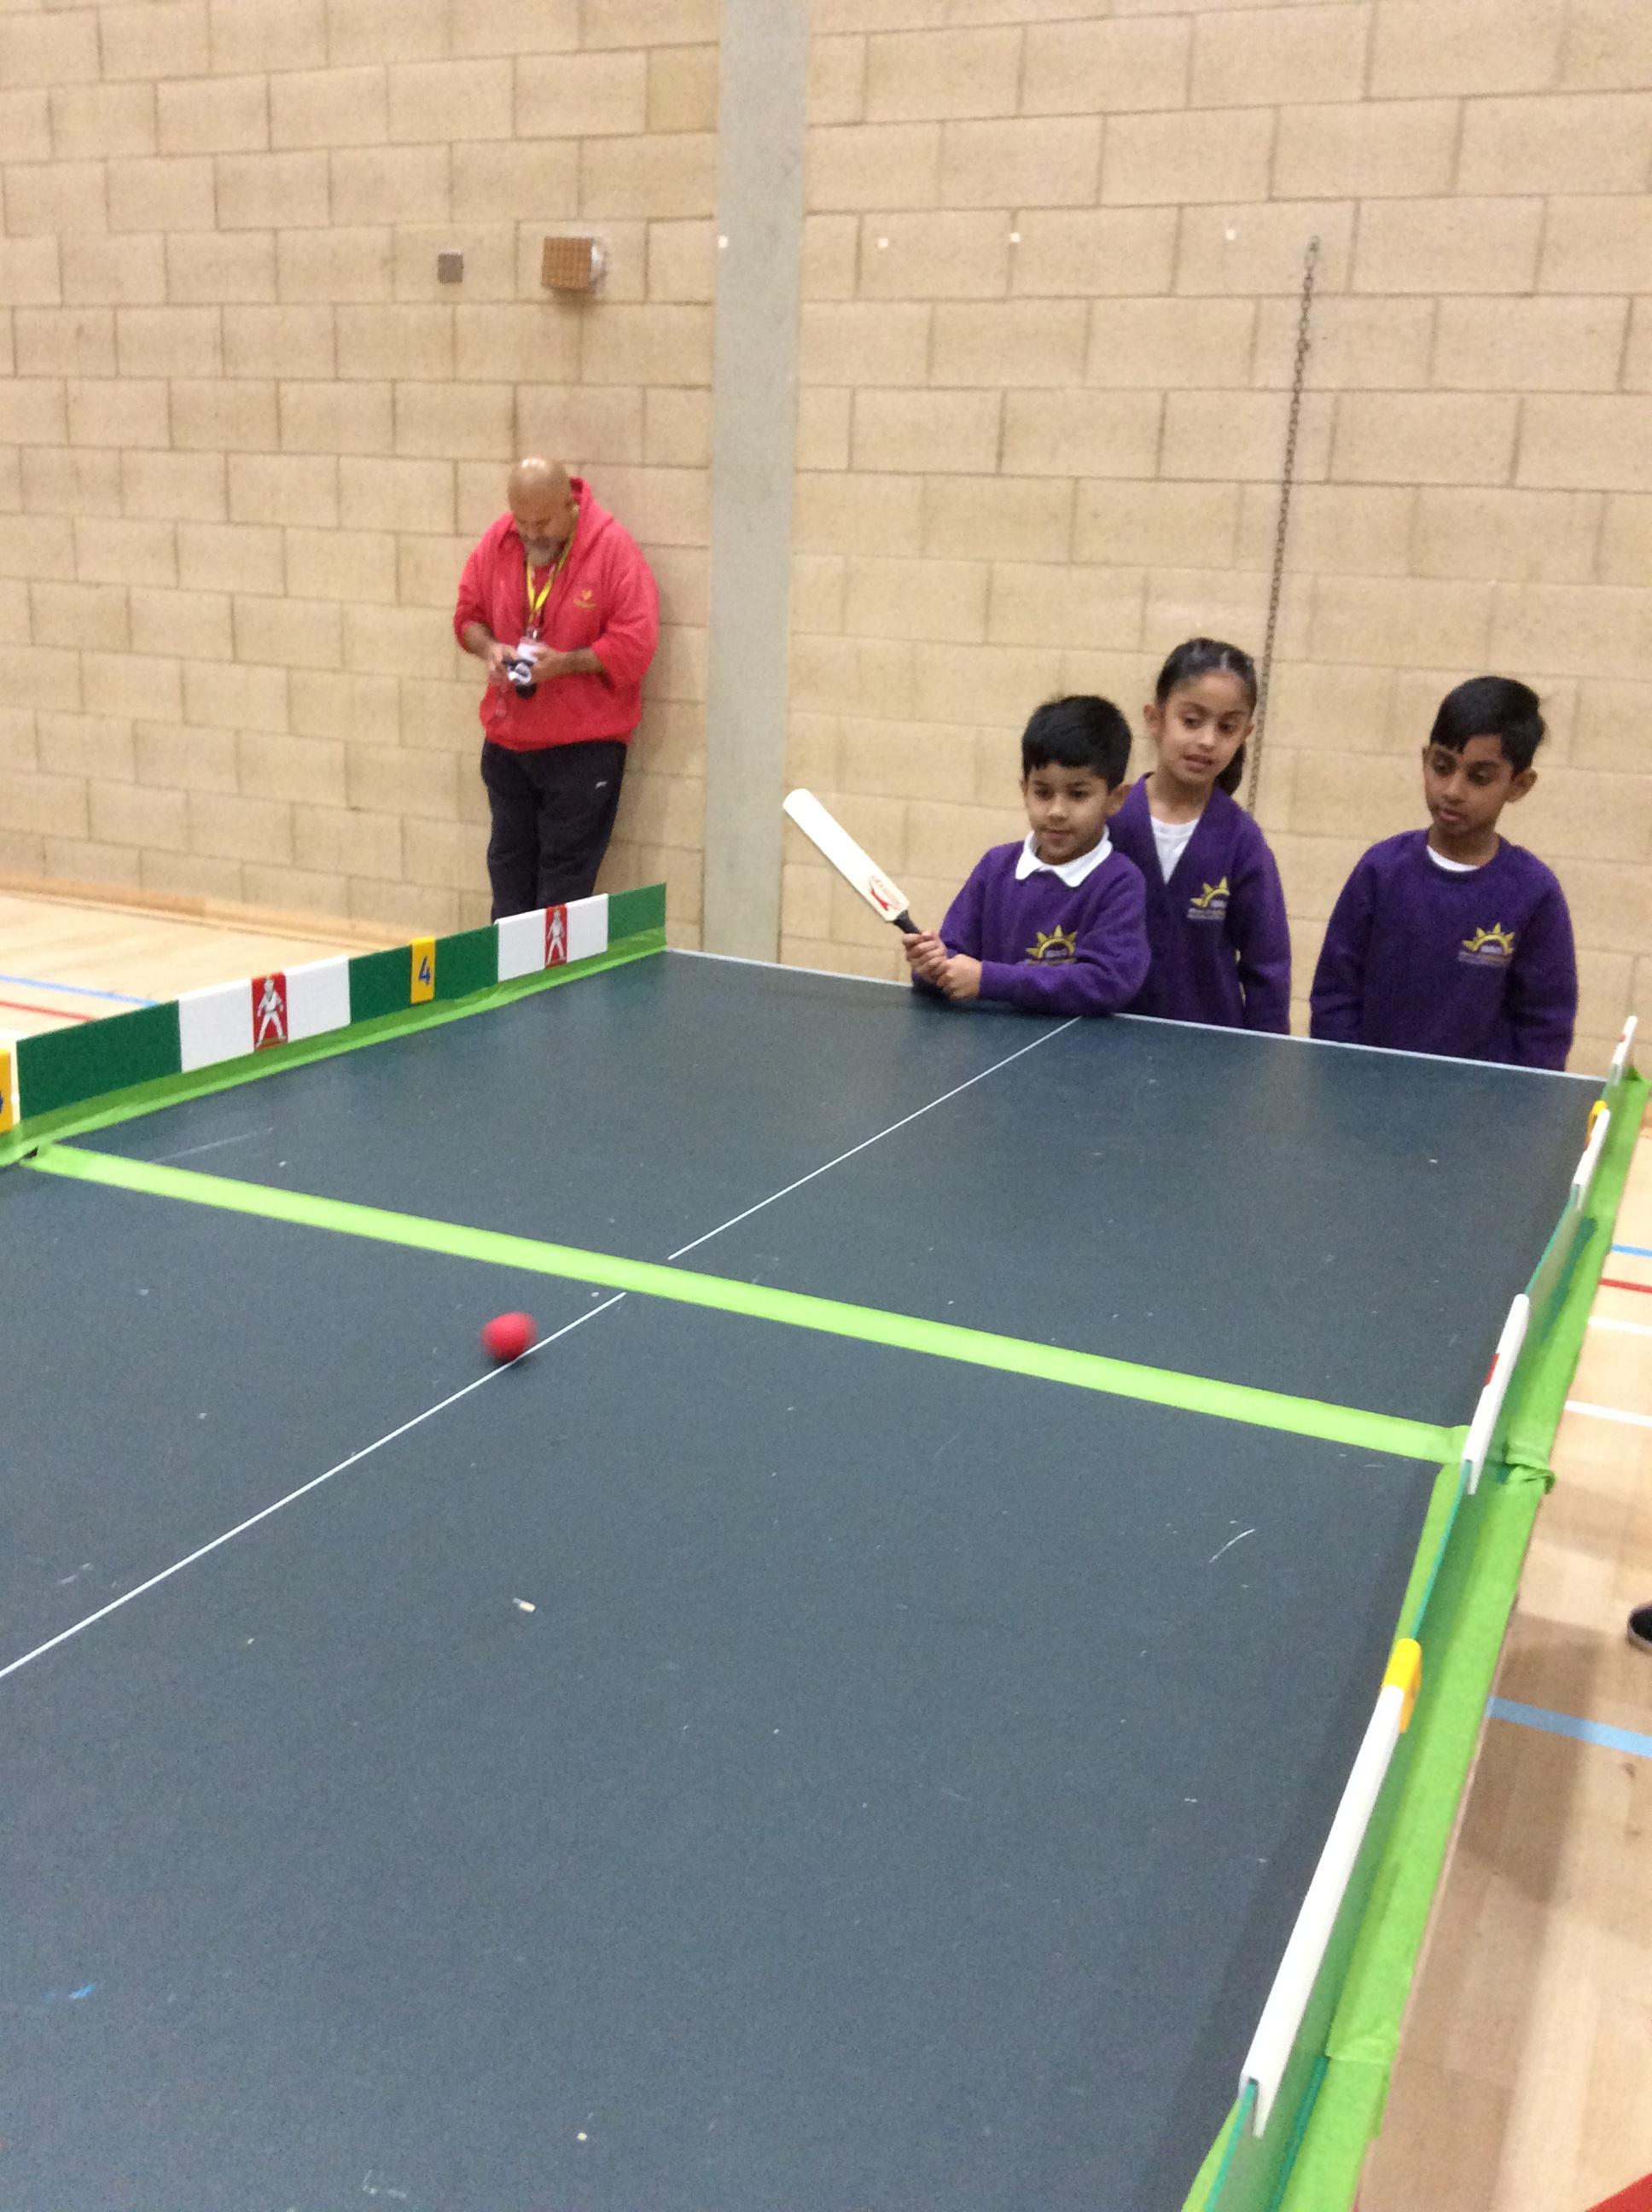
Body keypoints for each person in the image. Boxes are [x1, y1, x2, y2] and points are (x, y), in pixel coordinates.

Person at [1309, 675, 1577, 1069]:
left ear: (1519, 785)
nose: (1452, 790)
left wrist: (1516, 1099)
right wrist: (1345, 1077)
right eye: (1442, 767)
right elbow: (1335, 996)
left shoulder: (1535, 893)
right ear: (1425, 760)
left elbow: (1545, 1028)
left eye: (1479, 777)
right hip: (1369, 1093)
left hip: (1481, 1104)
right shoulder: (1380, 870)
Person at [453, 457, 659, 918]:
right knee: (507, 878)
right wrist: (489, 648)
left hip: (582, 752)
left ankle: (556, 971)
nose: (530, 534)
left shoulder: (613, 549)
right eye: (521, 522)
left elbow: (636, 644)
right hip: (508, 746)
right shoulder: (498, 540)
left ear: (570, 505)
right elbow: (467, 618)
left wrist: (567, 664)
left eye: (542, 523)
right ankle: (511, 969)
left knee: (561, 891)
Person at [902, 696, 1149, 1016]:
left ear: (1116, 798)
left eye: (1077, 794)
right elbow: (955, 957)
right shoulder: (995, 867)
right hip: (987, 1040)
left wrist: (990, 979)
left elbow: (1106, 982)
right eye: (1042, 793)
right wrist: (932, 968)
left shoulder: (1120, 882)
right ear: (1024, 791)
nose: (1056, 811)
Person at [1109, 637, 1290, 1033]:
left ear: (1245, 734)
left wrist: (1266, 1053)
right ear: (1155, 719)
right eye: (1191, 721)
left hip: (1208, 1052)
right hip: (1106, 1038)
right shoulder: (1110, 823)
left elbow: (1268, 969)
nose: (1208, 740)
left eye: (1226, 727)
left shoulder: (1243, 841)